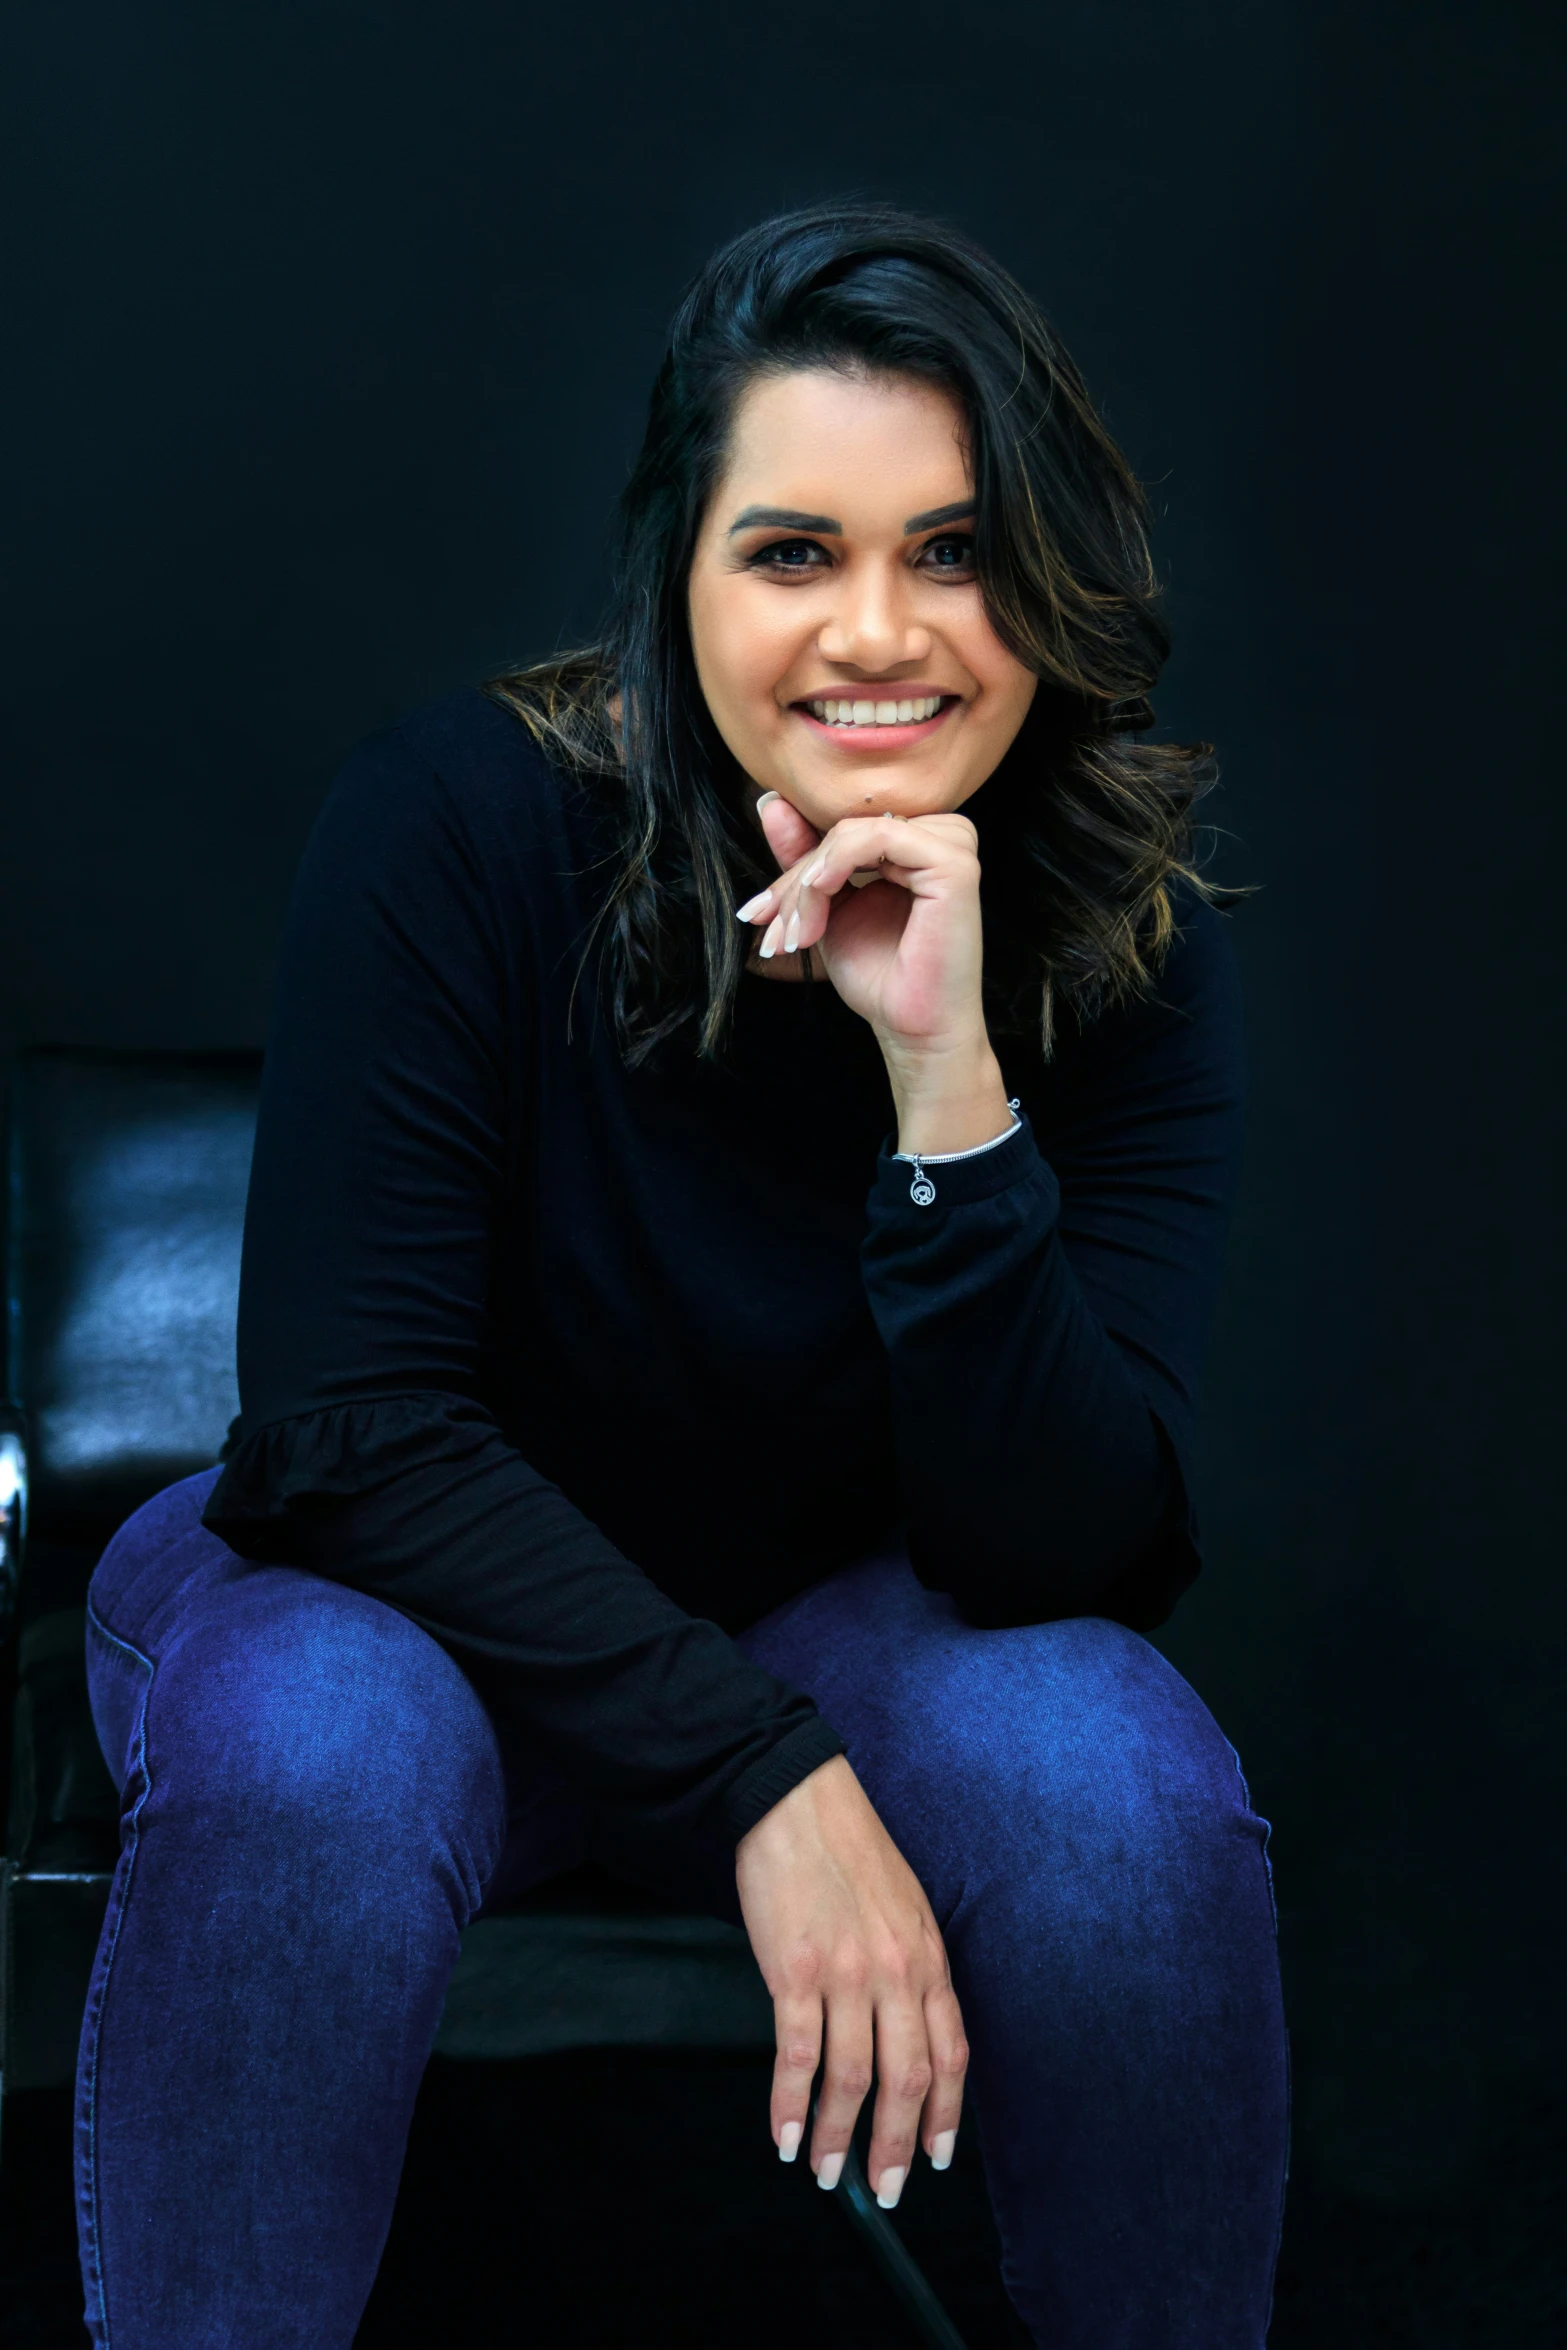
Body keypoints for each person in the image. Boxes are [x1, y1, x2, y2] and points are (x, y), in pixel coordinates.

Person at [75, 204, 1288, 2348]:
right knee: (312, 1738)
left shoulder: (1122, 937)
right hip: (389, 1593)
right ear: (682, 577)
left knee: (1122, 1786)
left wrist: (949, 1075)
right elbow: (342, 1434)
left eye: (956, 549)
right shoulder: (460, 818)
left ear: (1052, 589)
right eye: (796, 550)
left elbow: (1071, 1544)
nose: (879, 633)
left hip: (830, 1603)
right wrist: (761, 1770)